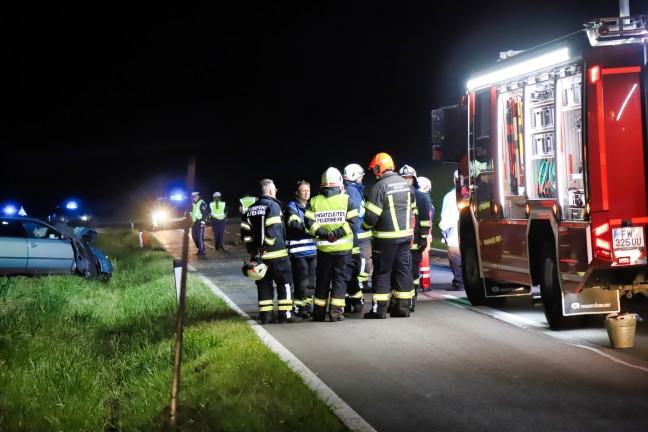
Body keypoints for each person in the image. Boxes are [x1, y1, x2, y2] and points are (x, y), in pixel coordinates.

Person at [240, 179, 301, 324]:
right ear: (271, 192)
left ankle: (266, 316)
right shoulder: (273, 206)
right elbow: (273, 230)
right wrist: (265, 247)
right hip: (277, 255)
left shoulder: (250, 209)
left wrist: (254, 250)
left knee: (263, 285)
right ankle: (285, 315)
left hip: (259, 257)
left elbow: (245, 233)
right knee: (285, 283)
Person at [362, 152, 415, 319]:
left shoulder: (379, 187)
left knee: (382, 272)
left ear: (379, 168)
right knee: (403, 270)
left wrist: (365, 226)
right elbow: (413, 208)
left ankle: (380, 310)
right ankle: (403, 308)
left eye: (374, 169)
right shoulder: (406, 184)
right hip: (405, 236)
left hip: (385, 238)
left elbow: (371, 216)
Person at [304, 167, 358, 322]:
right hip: (343, 249)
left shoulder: (314, 201)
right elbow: (353, 223)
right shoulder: (346, 200)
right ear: (339, 183)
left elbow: (309, 223)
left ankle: (319, 314)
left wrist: (324, 234)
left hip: (324, 249)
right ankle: (335, 314)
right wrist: (337, 234)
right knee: (340, 281)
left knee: (322, 281)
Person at [396, 164, 431, 312]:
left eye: (408, 178)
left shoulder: (420, 197)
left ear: (414, 180)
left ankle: (412, 299)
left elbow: (424, 221)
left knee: (413, 272)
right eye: (403, 178)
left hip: (415, 242)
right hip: (399, 241)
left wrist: (423, 239)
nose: (406, 180)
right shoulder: (396, 196)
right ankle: (400, 300)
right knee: (399, 271)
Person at [285, 180, 317, 318]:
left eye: (308, 190)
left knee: (311, 281)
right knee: (301, 281)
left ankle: (307, 306)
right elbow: (294, 225)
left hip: (312, 250)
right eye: (303, 190)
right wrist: (314, 229)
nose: (306, 193)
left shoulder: (312, 206)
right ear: (297, 193)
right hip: (298, 252)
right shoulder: (291, 207)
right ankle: (299, 307)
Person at [343, 163, 371, 313]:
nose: (362, 178)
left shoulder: (352, 190)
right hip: (359, 236)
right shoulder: (352, 191)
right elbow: (360, 212)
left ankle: (350, 300)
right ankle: (357, 296)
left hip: (355, 236)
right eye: (360, 175)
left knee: (351, 269)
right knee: (359, 267)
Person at [439, 170, 465, 291]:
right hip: (469, 233)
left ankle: (459, 283)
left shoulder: (450, 196)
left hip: (454, 233)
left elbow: (445, 218)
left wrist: (444, 232)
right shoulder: (475, 193)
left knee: (455, 257)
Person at [417, 176, 435, 291]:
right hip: (425, 234)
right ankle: (425, 284)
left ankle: (423, 283)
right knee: (423, 259)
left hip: (420, 233)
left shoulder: (421, 200)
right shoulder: (427, 200)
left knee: (420, 259)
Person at [190, 191, 209, 256]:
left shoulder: (202, 203)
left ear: (198, 196)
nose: (193, 198)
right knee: (194, 236)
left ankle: (202, 250)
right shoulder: (194, 203)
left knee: (200, 237)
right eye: (192, 197)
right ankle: (200, 248)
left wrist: (203, 223)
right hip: (195, 222)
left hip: (200, 222)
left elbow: (205, 214)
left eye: (194, 197)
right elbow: (195, 213)